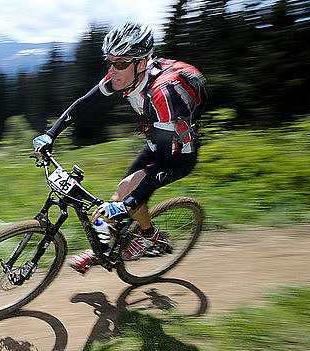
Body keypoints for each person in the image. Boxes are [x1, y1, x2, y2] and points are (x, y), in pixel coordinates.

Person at [33, 22, 207, 274]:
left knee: (128, 194)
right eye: (110, 62)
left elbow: (163, 163)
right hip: (156, 143)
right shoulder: (123, 78)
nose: (113, 70)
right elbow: (84, 103)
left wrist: (130, 201)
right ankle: (103, 251)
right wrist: (50, 134)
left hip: (177, 155)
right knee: (117, 198)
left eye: (121, 63)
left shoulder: (162, 94)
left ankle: (150, 236)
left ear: (141, 63)